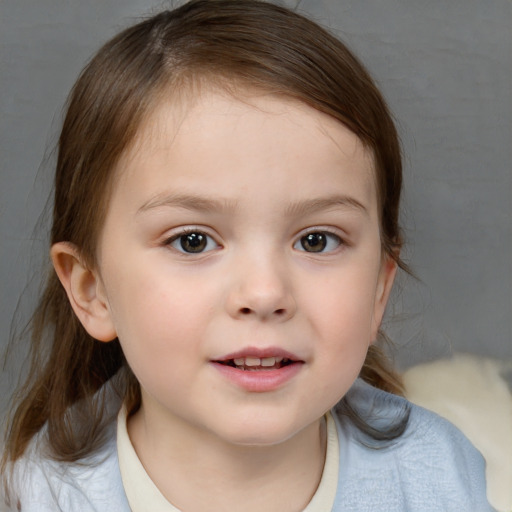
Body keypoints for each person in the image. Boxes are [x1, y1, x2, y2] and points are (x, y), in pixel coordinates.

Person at [1, 1, 494, 510]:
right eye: (192, 240)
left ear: (378, 288)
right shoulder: (39, 498)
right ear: (91, 289)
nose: (264, 293)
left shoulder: (435, 479)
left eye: (316, 240)